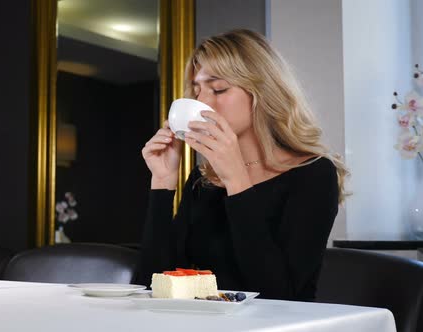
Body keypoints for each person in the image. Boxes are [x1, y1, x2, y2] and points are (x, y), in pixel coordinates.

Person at [138, 29, 349, 301]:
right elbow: (151, 286)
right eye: (197, 89)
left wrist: (237, 181)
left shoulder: (313, 174)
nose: (202, 101)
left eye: (218, 88)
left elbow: (279, 295)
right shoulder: (204, 179)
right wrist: (162, 185)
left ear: (261, 91)